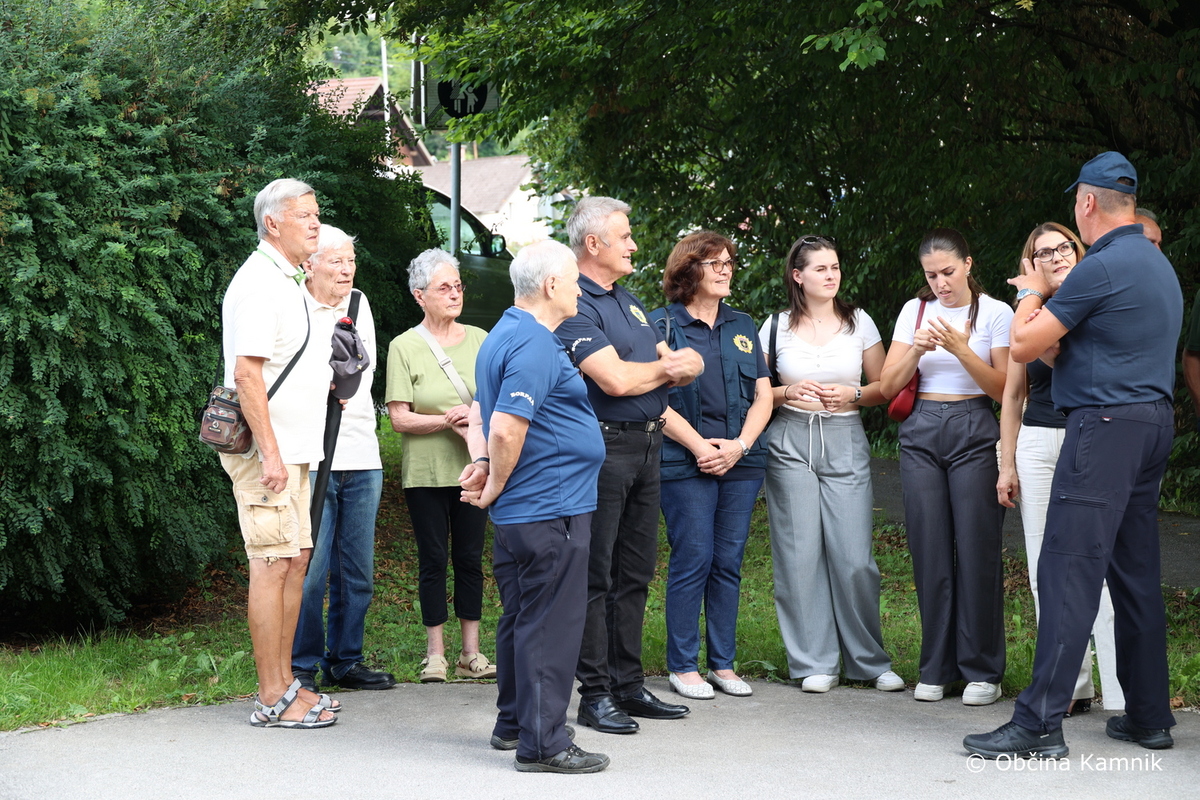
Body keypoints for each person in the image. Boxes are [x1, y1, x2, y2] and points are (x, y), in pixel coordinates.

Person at [966, 152, 1182, 759]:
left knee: (1066, 568)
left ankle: (1038, 724)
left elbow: (1024, 345)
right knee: (1134, 573)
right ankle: (1148, 716)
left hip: (1104, 427)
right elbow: (1074, 350)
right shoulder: (1156, 263)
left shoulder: (1102, 265)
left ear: (1087, 203)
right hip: (1151, 423)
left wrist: (1033, 292)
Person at [555, 196, 704, 734]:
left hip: (648, 445)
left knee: (635, 573)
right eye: (624, 237)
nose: (634, 245)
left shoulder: (630, 301)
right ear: (593, 243)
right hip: (603, 448)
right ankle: (594, 694)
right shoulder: (574, 301)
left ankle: (627, 684)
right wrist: (668, 370)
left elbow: (672, 364)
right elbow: (616, 380)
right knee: (597, 574)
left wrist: (670, 368)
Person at [460, 239, 610, 773]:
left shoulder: (503, 334)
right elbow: (504, 426)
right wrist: (494, 479)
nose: (580, 291)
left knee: (523, 617)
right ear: (550, 285)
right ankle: (544, 744)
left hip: (529, 510)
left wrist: (485, 466)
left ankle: (515, 723)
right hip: (550, 507)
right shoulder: (534, 343)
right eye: (573, 281)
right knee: (551, 624)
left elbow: (484, 414)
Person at [759, 235, 904, 695]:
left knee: (854, 557)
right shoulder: (774, 326)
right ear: (798, 275)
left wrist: (853, 394)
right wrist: (787, 392)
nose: (831, 275)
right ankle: (813, 662)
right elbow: (757, 393)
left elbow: (884, 386)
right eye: (820, 268)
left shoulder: (859, 322)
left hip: (845, 438)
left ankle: (868, 661)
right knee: (799, 556)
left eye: (835, 266)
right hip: (790, 439)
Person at [221, 178, 337, 728]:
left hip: (293, 451)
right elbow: (247, 374)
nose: (316, 223)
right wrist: (269, 453)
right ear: (273, 223)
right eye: (304, 215)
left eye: (317, 214)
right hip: (269, 455)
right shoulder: (260, 282)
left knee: (295, 560)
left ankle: (288, 684)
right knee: (272, 564)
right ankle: (272, 696)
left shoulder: (288, 279)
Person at [880, 228, 1012, 706]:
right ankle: (936, 666)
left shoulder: (996, 312)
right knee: (929, 549)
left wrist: (960, 349)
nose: (940, 283)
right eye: (931, 275)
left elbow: (1005, 389)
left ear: (969, 265)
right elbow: (887, 386)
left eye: (948, 272)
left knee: (977, 549)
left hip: (974, 425)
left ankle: (982, 670)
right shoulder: (914, 311)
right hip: (920, 429)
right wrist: (917, 349)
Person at [996, 222, 1123, 716]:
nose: (1056, 257)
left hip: (1085, 437)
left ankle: (1120, 692)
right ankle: (1070, 686)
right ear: (1031, 264)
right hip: (1034, 443)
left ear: (1078, 249)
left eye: (1063, 247)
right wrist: (1007, 463)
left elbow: (1060, 355)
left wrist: (1033, 303)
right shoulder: (1025, 313)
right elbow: (1012, 395)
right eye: (1043, 253)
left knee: (1098, 566)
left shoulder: (1092, 297)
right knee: (1042, 569)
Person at [647, 231, 772, 700]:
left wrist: (739, 445)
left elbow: (763, 394)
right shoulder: (661, 326)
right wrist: (702, 447)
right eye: (714, 263)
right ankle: (683, 666)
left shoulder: (743, 324)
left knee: (728, 563)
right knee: (693, 558)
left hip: (741, 461)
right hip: (684, 462)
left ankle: (722, 663)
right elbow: (653, 400)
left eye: (729, 262)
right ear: (688, 270)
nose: (725, 270)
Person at [291, 225, 395, 693]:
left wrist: (336, 379)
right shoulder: (293, 302)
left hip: (361, 453)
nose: (347, 269)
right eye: (336, 261)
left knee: (358, 573)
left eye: (351, 261)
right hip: (311, 458)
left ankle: (345, 660)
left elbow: (358, 372)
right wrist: (331, 379)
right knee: (310, 574)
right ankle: (302, 666)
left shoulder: (357, 303)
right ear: (309, 264)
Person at [386, 249, 495, 683]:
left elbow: (498, 402)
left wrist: (474, 413)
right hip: (425, 475)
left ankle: (471, 653)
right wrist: (447, 420)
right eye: (444, 288)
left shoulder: (482, 340)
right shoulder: (404, 346)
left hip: (475, 469)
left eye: (458, 286)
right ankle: (435, 655)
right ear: (420, 295)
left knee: (469, 559)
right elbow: (399, 418)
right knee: (432, 559)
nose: (455, 294)